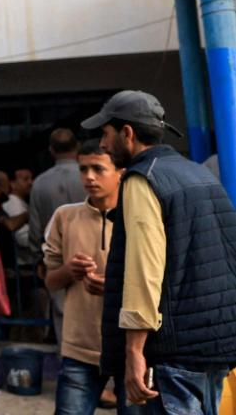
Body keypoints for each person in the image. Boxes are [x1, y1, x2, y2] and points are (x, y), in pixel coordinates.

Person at [85, 91, 236, 414]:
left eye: (106, 133)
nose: (102, 143)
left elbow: (144, 270)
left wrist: (134, 351)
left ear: (128, 133)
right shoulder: (199, 174)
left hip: (171, 353)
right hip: (215, 344)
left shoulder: (143, 179)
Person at [43, 141, 131, 414]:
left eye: (98, 169)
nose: (89, 177)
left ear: (121, 173)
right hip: (79, 347)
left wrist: (115, 287)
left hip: (131, 346)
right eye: (83, 169)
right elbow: (50, 281)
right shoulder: (65, 217)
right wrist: (69, 270)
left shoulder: (137, 218)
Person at [29, 127, 87, 343]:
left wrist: (38, 257)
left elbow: (35, 229)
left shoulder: (40, 183)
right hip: (94, 253)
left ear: (52, 151)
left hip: (57, 257)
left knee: (63, 313)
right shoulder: (92, 176)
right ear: (77, 147)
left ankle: (70, 363)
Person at [3, 168, 34, 266]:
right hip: (25, 264)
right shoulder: (13, 203)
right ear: (12, 184)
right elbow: (22, 237)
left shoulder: (21, 202)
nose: (31, 182)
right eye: (25, 179)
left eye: (31, 179)